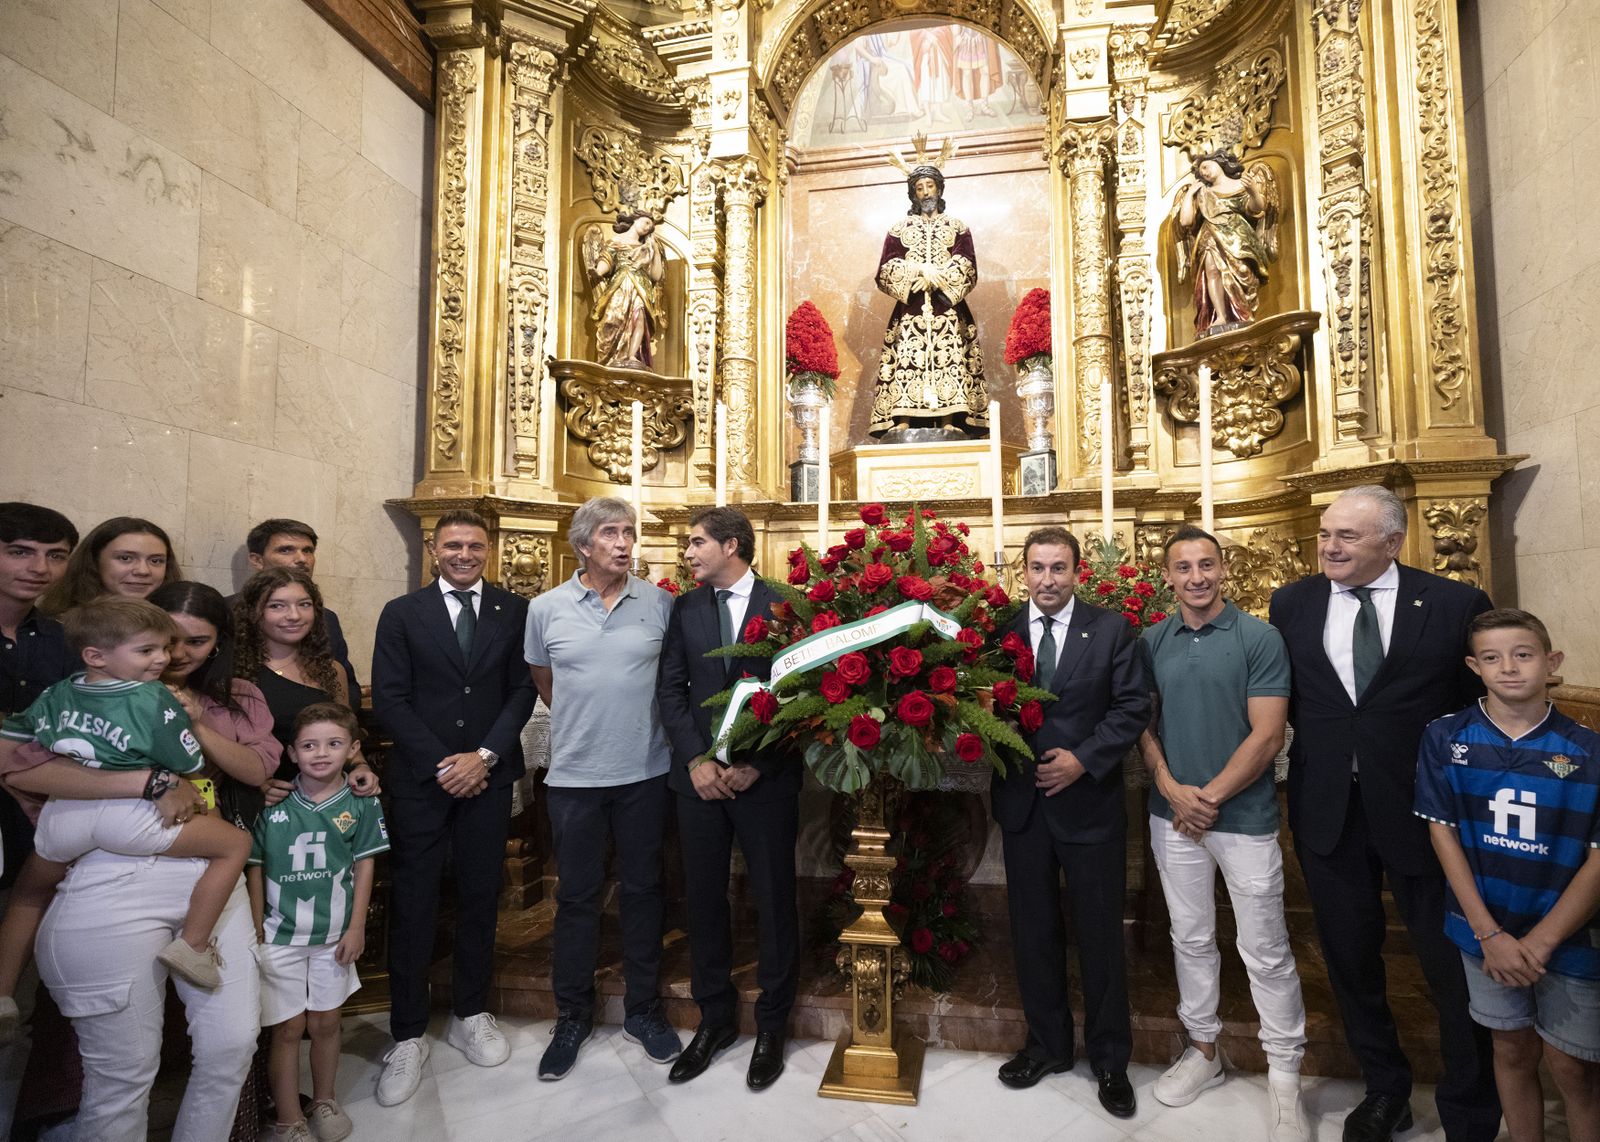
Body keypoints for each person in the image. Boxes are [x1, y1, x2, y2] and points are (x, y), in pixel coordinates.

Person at [1269, 484, 1499, 1142]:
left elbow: (1475, 714)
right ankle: (1385, 1088)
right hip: (1328, 814)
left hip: (1427, 819)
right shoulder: (1293, 603)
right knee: (1351, 960)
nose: (1329, 546)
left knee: (1450, 969)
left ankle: (1470, 1109)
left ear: (1392, 542)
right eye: (1324, 534)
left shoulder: (1455, 604)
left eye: (1347, 536)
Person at [1138, 525, 1307, 1139]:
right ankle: (1204, 1050)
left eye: (1206, 564)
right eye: (1183, 568)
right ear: (1168, 576)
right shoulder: (1150, 640)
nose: (1196, 577)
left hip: (1243, 819)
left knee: (1265, 947)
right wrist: (1170, 788)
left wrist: (1205, 799)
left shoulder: (1260, 637)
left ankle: (1285, 1071)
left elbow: (1267, 734)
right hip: (1173, 817)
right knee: (1191, 937)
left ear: (1223, 569)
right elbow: (1142, 724)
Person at [1415, 609, 1600, 1142]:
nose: (1509, 669)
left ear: (1552, 661)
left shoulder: (1587, 751)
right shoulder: (1446, 737)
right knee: (1510, 1047)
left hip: (1567, 935)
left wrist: (1543, 940)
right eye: (1492, 658)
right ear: (1474, 666)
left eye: (1524, 655)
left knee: (1574, 1066)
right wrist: (1489, 934)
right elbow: (1442, 832)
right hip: (1484, 930)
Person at [370, 509, 535, 1105]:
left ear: (489, 549)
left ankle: (472, 1012)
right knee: (414, 901)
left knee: (479, 895)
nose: (464, 554)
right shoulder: (402, 613)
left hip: (487, 778)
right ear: (434, 549)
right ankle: (408, 1032)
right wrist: (446, 762)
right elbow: (389, 697)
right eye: (453, 545)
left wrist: (484, 756)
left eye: (475, 545)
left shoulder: (513, 611)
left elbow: (522, 689)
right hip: (422, 779)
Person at [0, 598, 251, 989]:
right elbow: (187, 761)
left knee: (27, 893)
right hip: (131, 814)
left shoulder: (58, 692)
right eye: (146, 650)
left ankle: (3, 990)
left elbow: (15, 736)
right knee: (235, 844)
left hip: (61, 816)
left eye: (164, 648)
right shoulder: (151, 697)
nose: (162, 659)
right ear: (95, 656)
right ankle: (194, 945)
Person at [990, 526, 1148, 1116]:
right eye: (1037, 568)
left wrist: (1084, 759)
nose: (1047, 580)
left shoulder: (1111, 629)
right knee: (1032, 932)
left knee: (1101, 935)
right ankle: (1047, 1045)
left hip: (1088, 805)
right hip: (1024, 806)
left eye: (1059, 569)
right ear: (1022, 572)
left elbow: (1133, 704)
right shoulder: (998, 631)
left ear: (1077, 572)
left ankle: (1110, 1060)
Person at [525, 496, 681, 1080]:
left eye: (630, 533)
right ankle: (572, 1015)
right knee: (576, 898)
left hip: (644, 773)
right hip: (574, 778)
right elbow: (545, 682)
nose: (624, 543)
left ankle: (643, 1010)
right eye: (611, 533)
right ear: (584, 544)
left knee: (644, 891)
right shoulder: (545, 608)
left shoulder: (661, 604)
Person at [655, 506, 799, 1090]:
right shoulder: (684, 607)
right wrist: (697, 761)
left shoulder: (785, 606)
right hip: (698, 782)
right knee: (705, 900)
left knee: (773, 896)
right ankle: (714, 1019)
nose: (687, 553)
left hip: (764, 783)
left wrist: (757, 765)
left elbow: (800, 692)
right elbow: (670, 688)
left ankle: (773, 1024)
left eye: (695, 543)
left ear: (732, 545)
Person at [248, 702, 387, 1142]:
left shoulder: (362, 803)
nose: (320, 753)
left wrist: (357, 927)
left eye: (333, 744)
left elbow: (365, 865)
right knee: (287, 1028)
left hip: (334, 935)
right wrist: (255, 929)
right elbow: (253, 866)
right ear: (292, 752)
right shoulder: (272, 804)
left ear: (353, 749)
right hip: (279, 935)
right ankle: (290, 1118)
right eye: (309, 745)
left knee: (326, 1022)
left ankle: (324, 1099)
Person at [869, 155, 989, 440]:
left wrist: (939, 276)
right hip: (911, 310)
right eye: (920, 187)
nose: (925, 192)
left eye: (930, 186)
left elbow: (967, 263)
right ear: (913, 193)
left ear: (939, 189)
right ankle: (904, 417)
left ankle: (951, 417)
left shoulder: (957, 227)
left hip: (946, 308)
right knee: (908, 358)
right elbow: (886, 267)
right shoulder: (899, 230)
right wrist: (917, 272)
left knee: (951, 358)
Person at [0, 504, 77, 890]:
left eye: (55, 556)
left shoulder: (63, 639)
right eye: (19, 552)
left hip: (43, 814)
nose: (40, 568)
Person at [241, 519, 359, 701]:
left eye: (308, 550)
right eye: (286, 550)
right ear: (257, 560)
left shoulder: (327, 619)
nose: (302, 559)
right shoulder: (224, 613)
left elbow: (347, 687)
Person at [1169, 150, 1279, 336]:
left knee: (1243, 272)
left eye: (1206, 166)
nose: (1203, 172)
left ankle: (1242, 314)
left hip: (1238, 238)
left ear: (1220, 162)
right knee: (1212, 271)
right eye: (1200, 171)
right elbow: (1185, 221)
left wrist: (1253, 191)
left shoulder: (1241, 184)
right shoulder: (1203, 193)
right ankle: (1220, 315)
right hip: (1209, 237)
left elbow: (1256, 209)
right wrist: (1189, 195)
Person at [581, 211, 667, 370]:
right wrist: (598, 271)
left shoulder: (647, 248)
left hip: (641, 286)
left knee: (640, 318)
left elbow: (656, 276)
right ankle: (611, 357)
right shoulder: (616, 241)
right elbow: (606, 259)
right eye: (646, 223)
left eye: (651, 227)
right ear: (636, 220)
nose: (648, 228)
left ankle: (632, 355)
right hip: (619, 285)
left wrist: (655, 251)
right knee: (613, 318)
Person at [41, 515, 180, 613]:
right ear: (94, 560)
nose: (143, 571)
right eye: (125, 558)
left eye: (156, 561)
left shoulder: (178, 626)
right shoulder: (59, 629)